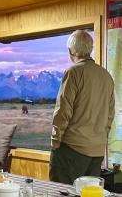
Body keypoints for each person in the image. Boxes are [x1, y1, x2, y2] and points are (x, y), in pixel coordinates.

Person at [49, 30, 115, 185]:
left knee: (60, 191)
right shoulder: (106, 75)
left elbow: (63, 111)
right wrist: (100, 140)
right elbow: (110, 115)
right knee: (88, 193)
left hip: (71, 149)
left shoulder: (73, 72)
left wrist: (55, 140)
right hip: (97, 151)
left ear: (71, 50)